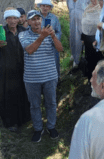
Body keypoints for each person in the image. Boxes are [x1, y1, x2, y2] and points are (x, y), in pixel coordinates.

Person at [18, 10, 63, 142]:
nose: (37, 21)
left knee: (51, 103)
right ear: (28, 22)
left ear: (41, 21)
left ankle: (51, 126)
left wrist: (54, 36)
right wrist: (42, 37)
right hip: (32, 78)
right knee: (35, 105)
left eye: (38, 19)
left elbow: (60, 49)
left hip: (50, 75)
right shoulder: (23, 34)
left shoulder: (49, 34)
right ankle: (38, 129)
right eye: (33, 19)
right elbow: (30, 50)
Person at [0, 8, 31, 132]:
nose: (12, 21)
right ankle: (10, 122)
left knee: (22, 93)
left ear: (19, 19)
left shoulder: (24, 31)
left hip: (22, 69)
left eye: (15, 18)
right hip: (5, 71)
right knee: (8, 95)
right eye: (9, 18)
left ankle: (24, 118)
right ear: (6, 20)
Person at [37, 0, 62, 79]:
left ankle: (56, 81)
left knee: (54, 63)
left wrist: (54, 36)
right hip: (40, 46)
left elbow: (59, 31)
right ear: (40, 6)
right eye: (43, 6)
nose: (45, 8)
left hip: (52, 45)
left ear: (50, 8)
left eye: (47, 6)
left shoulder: (54, 18)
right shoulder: (35, 17)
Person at [81, 0, 103, 79]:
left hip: (97, 38)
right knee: (89, 58)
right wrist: (82, 37)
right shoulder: (87, 8)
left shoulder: (101, 9)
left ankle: (98, 78)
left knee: (97, 58)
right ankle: (90, 78)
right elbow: (83, 23)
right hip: (87, 38)